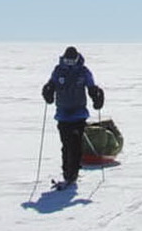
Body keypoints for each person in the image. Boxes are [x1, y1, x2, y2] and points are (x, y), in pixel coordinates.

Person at [40, 45, 105, 189]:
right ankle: (67, 173)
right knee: (66, 144)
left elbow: (91, 87)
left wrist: (97, 96)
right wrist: (48, 90)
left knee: (75, 143)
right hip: (63, 114)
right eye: (68, 61)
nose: (70, 63)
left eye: (72, 61)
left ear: (77, 59)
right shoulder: (58, 71)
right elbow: (51, 84)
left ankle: (72, 174)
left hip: (78, 114)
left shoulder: (83, 72)